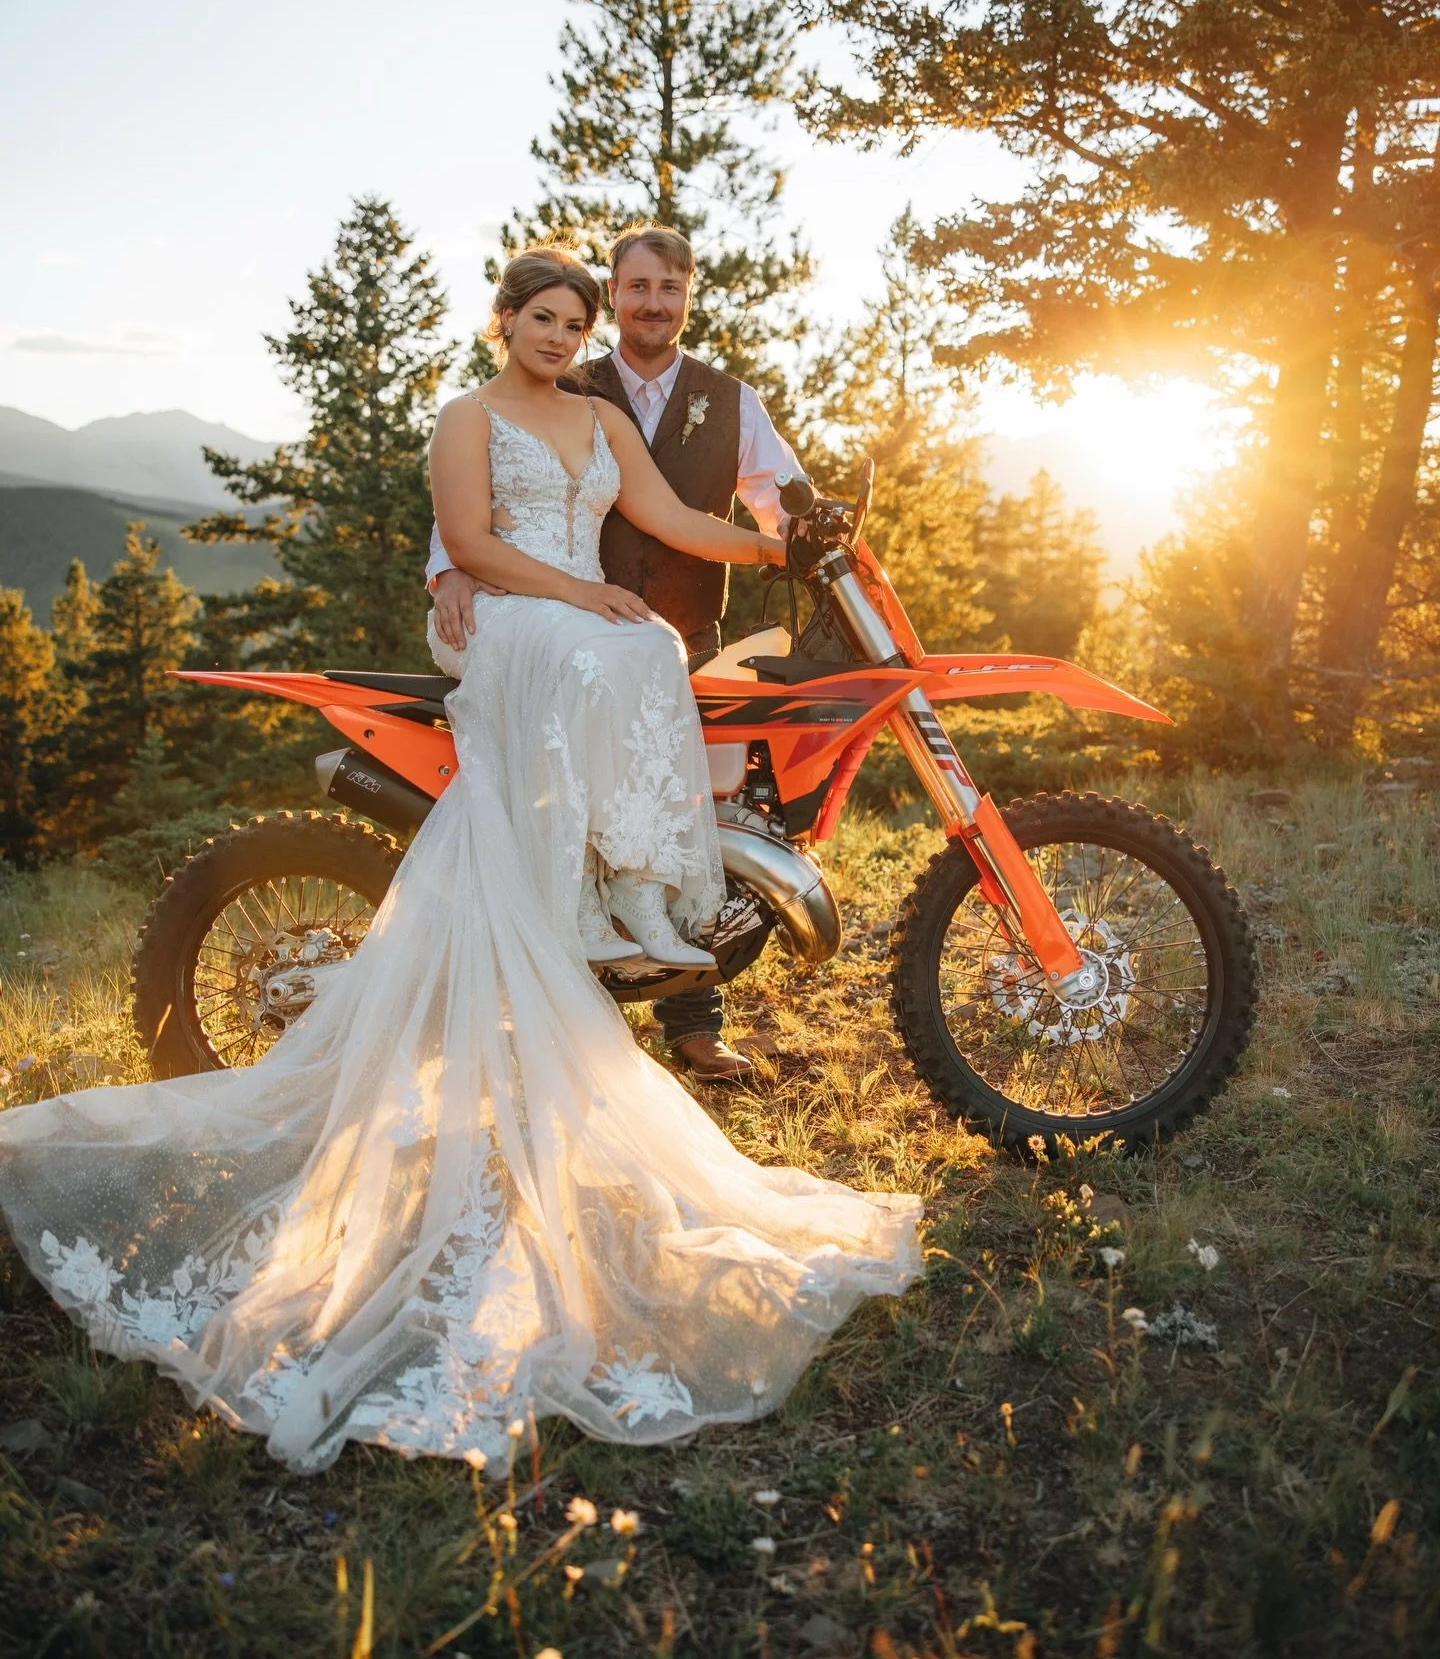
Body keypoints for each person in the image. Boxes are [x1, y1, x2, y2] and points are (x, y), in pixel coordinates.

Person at [0, 248, 921, 1477]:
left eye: (573, 318)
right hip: (515, 622)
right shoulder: (467, 416)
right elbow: (473, 545)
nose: (562, 332)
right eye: (546, 316)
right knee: (619, 640)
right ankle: (599, 905)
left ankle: (638, 896)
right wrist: (582, 596)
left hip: (587, 624)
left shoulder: (601, 418)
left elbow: (668, 518)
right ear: (506, 323)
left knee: (651, 651)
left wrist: (784, 554)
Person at [430, 225, 799, 1082]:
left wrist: (788, 548)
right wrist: (447, 572)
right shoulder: (517, 401)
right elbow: (461, 522)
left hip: (645, 622)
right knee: (604, 676)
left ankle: (675, 976)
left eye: (668, 290)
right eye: (635, 288)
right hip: (556, 617)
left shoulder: (709, 399)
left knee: (688, 759)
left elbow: (709, 510)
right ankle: (572, 937)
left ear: (687, 296)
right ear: (511, 319)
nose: (651, 304)